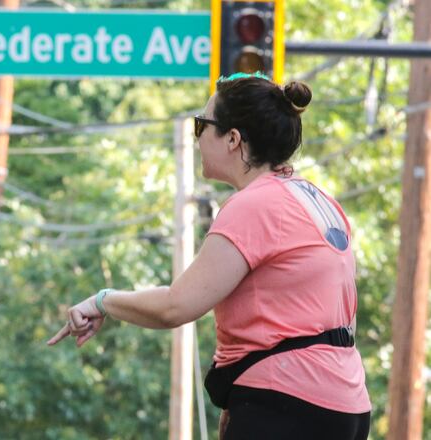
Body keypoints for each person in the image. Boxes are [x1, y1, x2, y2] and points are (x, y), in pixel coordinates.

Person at [48, 73, 371, 440]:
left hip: (288, 403)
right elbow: (314, 315)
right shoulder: (315, 198)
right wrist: (242, 393)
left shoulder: (255, 205)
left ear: (233, 139)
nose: (197, 135)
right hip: (346, 404)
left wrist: (103, 301)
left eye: (202, 124)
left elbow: (176, 306)